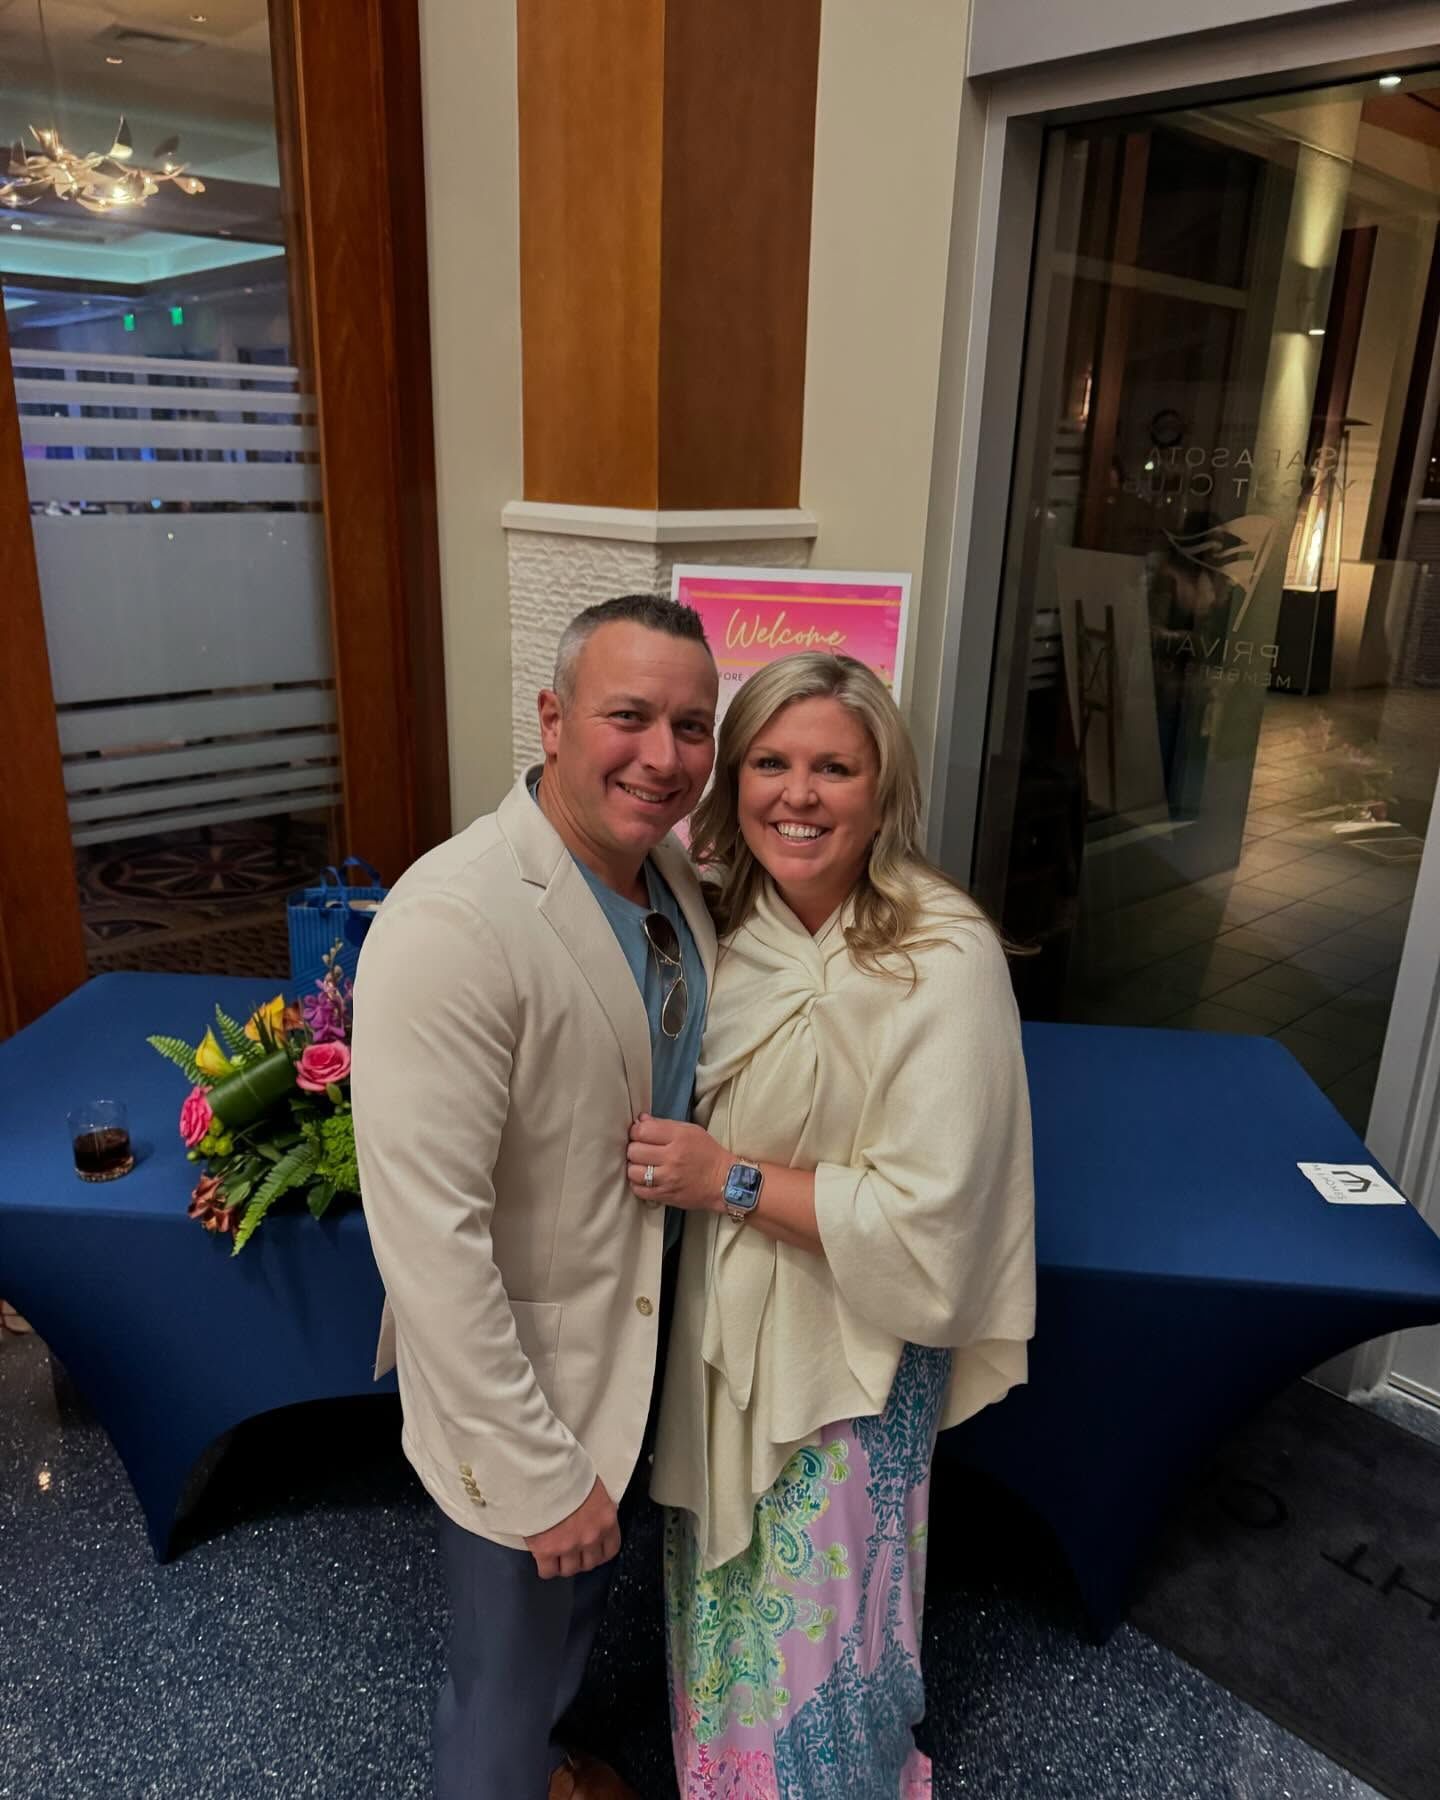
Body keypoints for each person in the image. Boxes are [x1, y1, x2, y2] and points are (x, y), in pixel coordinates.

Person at [631, 651, 1036, 1797]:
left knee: (826, 1630)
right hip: (721, 1333)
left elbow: (929, 1218)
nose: (798, 795)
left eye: (834, 768)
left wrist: (729, 1181)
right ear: (733, 780)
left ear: (882, 788)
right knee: (721, 1601)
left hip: (858, 1348)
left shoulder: (943, 954)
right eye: (770, 762)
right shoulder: (714, 925)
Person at [351, 594, 719, 1800]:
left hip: (626, 1356)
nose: (663, 756)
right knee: (501, 1697)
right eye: (629, 717)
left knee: (565, 1650)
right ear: (553, 720)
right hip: (524, 1395)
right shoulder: (454, 921)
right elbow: (429, 1242)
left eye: (692, 727)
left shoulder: (666, 876)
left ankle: (548, 1769)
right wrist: (534, 1473)